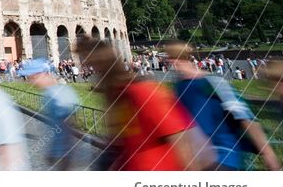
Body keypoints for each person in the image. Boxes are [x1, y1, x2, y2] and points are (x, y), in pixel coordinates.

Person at [75, 36, 207, 171]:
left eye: (92, 65)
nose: (87, 71)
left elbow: (182, 143)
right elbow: (124, 145)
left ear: (106, 62)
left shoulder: (143, 92)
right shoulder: (116, 97)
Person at [166, 42, 281, 171]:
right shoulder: (178, 88)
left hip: (223, 155)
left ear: (172, 60)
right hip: (198, 160)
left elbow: (244, 116)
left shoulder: (211, 82)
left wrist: (267, 152)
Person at [23, 58, 79, 170]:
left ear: (42, 74)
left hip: (65, 154)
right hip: (59, 153)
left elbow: (69, 125)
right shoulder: (49, 93)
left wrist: (65, 154)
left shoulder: (58, 94)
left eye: (32, 77)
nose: (30, 82)